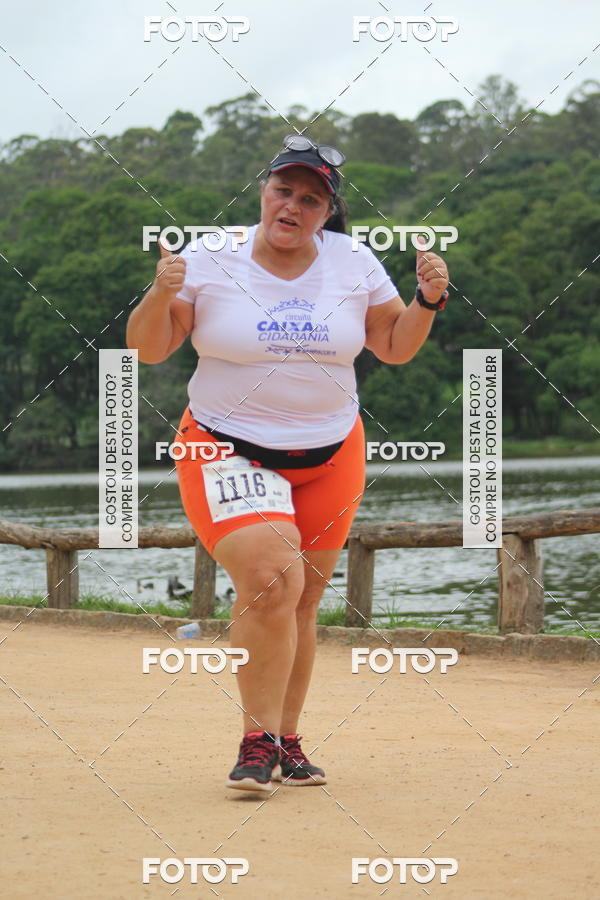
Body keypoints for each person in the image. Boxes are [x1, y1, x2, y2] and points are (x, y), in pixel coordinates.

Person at [126, 135, 450, 793]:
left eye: (311, 198)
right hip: (224, 445)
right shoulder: (211, 257)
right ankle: (256, 743)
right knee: (272, 580)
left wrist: (427, 303)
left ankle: (289, 740)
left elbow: (392, 346)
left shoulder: (352, 261)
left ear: (328, 211)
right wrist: (161, 293)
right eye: (284, 191)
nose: (293, 206)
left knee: (301, 605)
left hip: (331, 452)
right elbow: (151, 349)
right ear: (263, 192)